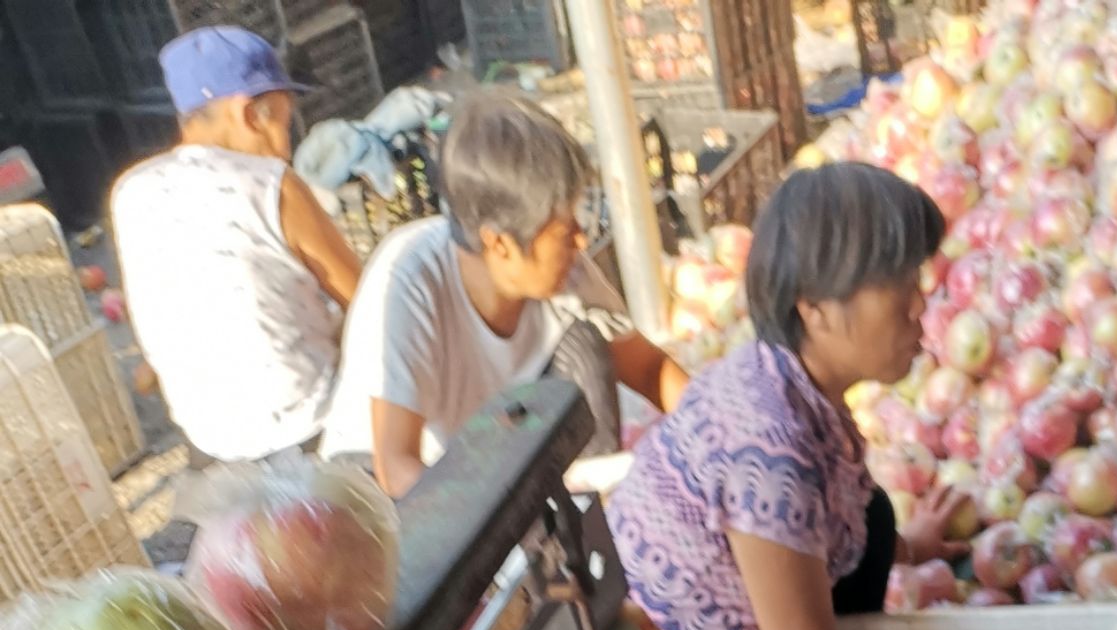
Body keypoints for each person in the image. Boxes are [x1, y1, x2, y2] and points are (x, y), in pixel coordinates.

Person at [608, 162, 969, 630]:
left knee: (873, 520)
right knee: (838, 610)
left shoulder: (783, 382)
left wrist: (910, 549)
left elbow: (823, 530)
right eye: (899, 285)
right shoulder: (771, 450)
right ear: (814, 307)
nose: (919, 305)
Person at [321, 91, 686, 496]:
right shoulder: (409, 284)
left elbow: (650, 369)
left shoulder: (566, 275)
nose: (582, 242)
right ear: (500, 244)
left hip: (493, 443)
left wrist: (716, 424)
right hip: (388, 488)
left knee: (584, 343)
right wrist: (505, 507)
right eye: (565, 232)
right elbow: (396, 467)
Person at [110, 26, 360, 464]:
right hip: (314, 433)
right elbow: (365, 299)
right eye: (283, 121)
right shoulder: (271, 185)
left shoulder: (130, 191)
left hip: (209, 445)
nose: (285, 145)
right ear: (251, 114)